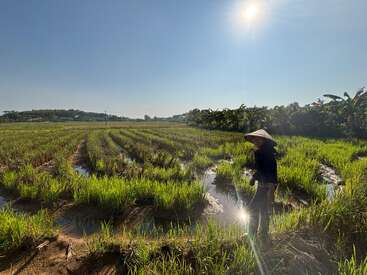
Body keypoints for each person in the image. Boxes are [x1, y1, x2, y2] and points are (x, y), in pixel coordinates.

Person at [244, 129, 278, 243]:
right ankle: (263, 234)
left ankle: (252, 234)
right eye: (254, 138)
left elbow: (272, 171)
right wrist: (254, 177)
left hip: (267, 185)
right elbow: (261, 170)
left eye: (258, 138)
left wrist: (271, 188)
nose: (255, 140)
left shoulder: (267, 153)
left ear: (264, 140)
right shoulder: (261, 151)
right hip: (263, 183)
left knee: (253, 208)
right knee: (262, 209)